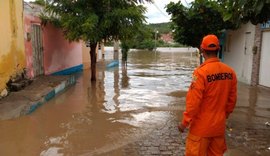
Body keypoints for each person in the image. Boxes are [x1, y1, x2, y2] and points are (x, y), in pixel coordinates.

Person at [178, 34, 237, 156]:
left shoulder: (200, 73)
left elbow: (193, 102)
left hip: (200, 130)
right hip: (218, 128)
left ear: (202, 50)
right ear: (218, 49)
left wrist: (184, 123)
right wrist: (223, 116)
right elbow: (232, 101)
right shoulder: (230, 72)